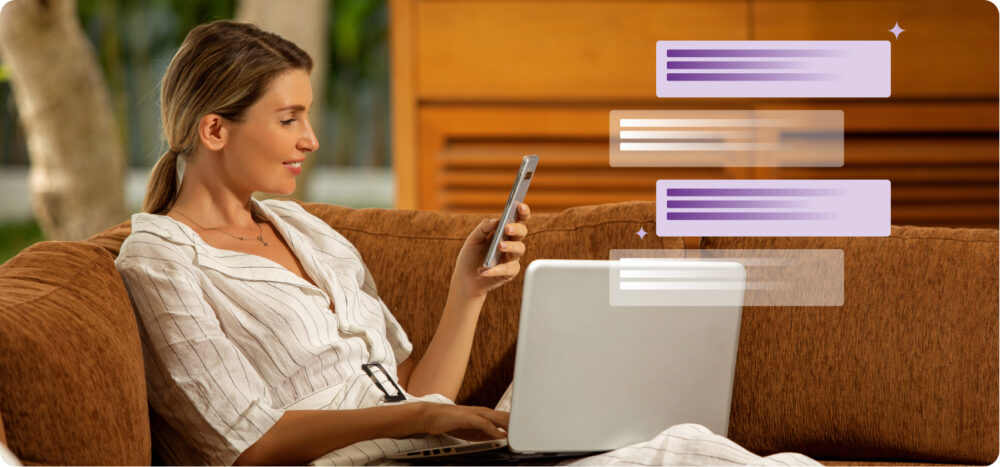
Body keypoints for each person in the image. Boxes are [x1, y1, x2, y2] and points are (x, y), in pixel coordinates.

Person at [116, 20, 821, 467]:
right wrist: (422, 416)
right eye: (289, 117)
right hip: (365, 461)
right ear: (215, 130)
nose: (310, 139)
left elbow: (417, 390)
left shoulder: (306, 231)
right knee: (677, 453)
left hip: (423, 448)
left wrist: (467, 292)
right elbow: (246, 446)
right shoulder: (160, 256)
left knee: (633, 423)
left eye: (309, 115)